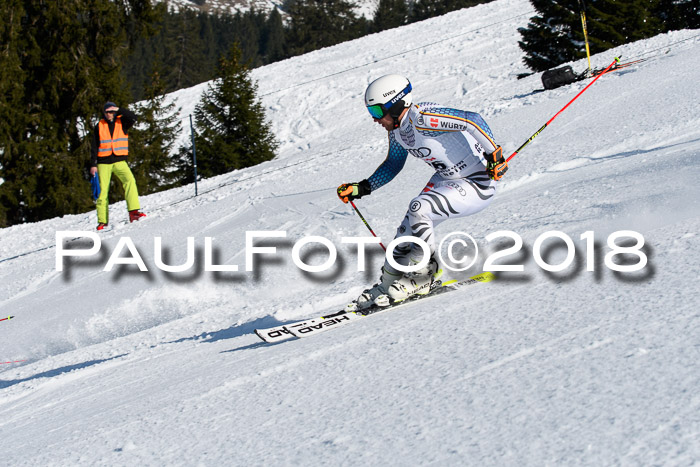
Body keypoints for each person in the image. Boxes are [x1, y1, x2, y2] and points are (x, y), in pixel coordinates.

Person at [337, 74, 507, 311]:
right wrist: (363, 187)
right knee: (407, 229)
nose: (375, 119)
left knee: (421, 207)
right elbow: (393, 164)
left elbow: (472, 120)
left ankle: (426, 274)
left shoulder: (423, 119)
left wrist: (494, 154)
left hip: (476, 182)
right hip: (448, 180)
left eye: (377, 112)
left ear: (395, 105)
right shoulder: (397, 131)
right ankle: (389, 283)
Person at [90, 101, 146, 230]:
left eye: (112, 112)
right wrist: (93, 164)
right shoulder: (99, 125)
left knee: (130, 181)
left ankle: (134, 212)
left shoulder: (123, 122)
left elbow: (134, 117)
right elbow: (94, 146)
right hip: (103, 162)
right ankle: (102, 222)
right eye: (108, 112)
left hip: (120, 160)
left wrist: (119, 109)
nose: (110, 114)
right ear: (104, 113)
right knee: (102, 192)